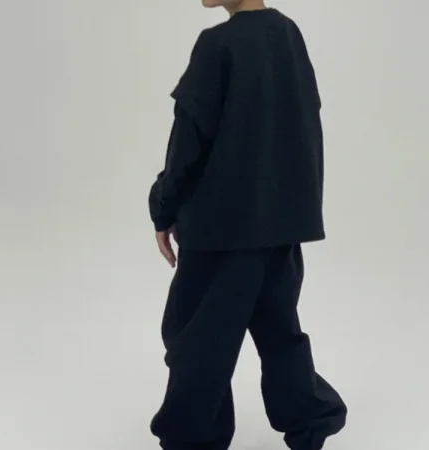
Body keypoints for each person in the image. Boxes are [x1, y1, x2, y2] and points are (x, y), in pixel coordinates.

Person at [147, 1, 347, 449]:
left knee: (194, 339)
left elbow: (188, 140)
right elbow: (303, 120)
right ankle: (311, 424)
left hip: (219, 232)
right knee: (278, 332)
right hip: (279, 226)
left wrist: (163, 205)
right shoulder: (288, 34)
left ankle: (193, 440)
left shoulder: (217, 44)